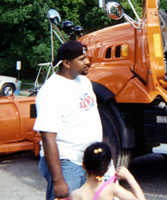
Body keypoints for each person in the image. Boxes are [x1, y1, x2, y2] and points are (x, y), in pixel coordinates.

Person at [34, 40, 114, 200]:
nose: (88, 62)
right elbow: (48, 137)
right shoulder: (51, 91)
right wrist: (58, 181)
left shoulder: (84, 81)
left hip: (90, 160)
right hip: (67, 162)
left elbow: (92, 118)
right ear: (66, 63)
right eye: (82, 59)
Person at [70, 142, 146, 200]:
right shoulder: (111, 188)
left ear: (83, 165)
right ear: (107, 168)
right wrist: (129, 177)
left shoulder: (75, 195)